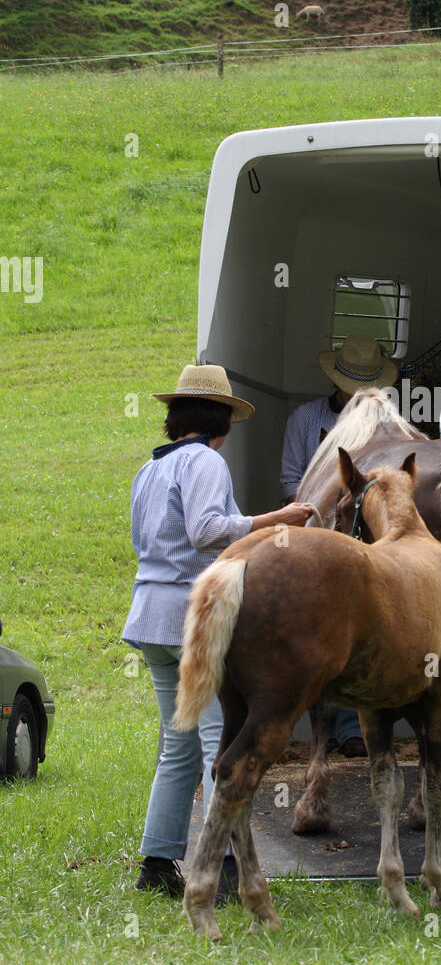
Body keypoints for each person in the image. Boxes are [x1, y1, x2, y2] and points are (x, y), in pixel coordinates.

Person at [123, 364, 313, 899]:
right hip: (193, 618)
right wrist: (276, 520)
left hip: (150, 617)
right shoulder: (205, 461)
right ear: (219, 419)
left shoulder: (150, 469)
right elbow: (206, 532)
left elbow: (147, 540)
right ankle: (225, 866)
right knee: (216, 743)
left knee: (177, 748)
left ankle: (157, 863)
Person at [280, 334, 398, 758]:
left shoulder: (386, 427)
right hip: (313, 533)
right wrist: (320, 510)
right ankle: (322, 728)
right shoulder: (306, 420)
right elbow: (291, 481)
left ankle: (352, 726)